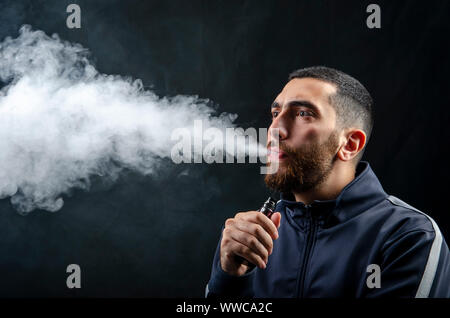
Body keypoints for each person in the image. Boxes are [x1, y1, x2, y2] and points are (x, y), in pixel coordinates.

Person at [205, 66, 450, 298]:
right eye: (275, 113)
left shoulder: (408, 236)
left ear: (350, 144)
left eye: (303, 114)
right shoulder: (247, 237)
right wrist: (230, 280)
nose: (274, 130)